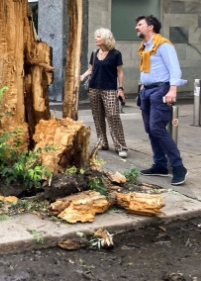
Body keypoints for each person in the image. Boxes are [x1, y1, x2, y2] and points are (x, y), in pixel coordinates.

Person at [135, 15, 187, 185]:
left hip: (160, 90)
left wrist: (173, 89)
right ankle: (160, 165)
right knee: (150, 129)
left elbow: (174, 68)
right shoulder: (145, 46)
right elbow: (146, 70)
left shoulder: (163, 44)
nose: (136, 27)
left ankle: (178, 167)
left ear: (150, 27)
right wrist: (142, 86)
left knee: (157, 128)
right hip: (147, 91)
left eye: (140, 24)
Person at [79, 28, 128, 158]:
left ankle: (121, 145)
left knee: (113, 116)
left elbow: (119, 72)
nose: (96, 38)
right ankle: (102, 142)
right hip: (94, 88)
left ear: (106, 38)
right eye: (95, 36)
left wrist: (121, 88)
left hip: (110, 89)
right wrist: (82, 76)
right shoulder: (94, 53)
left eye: (98, 36)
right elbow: (91, 69)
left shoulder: (116, 54)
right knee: (98, 116)